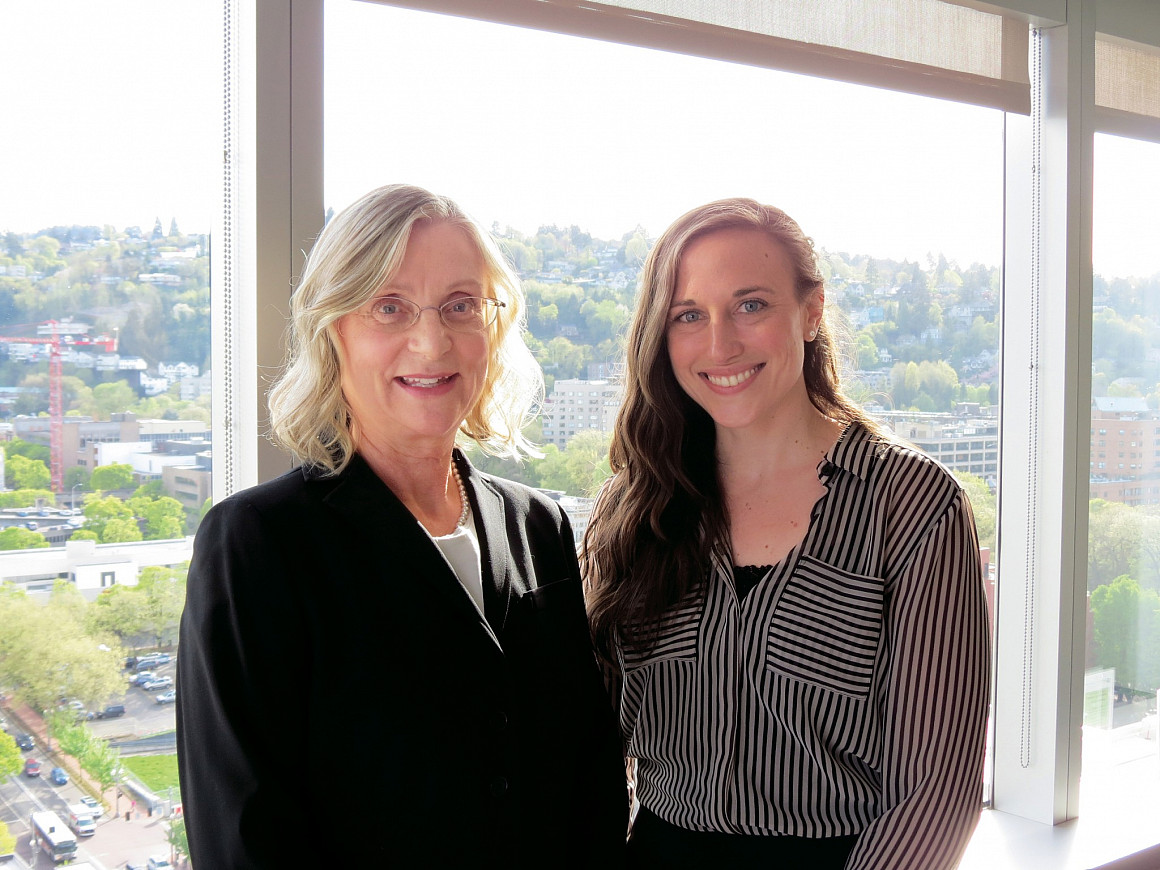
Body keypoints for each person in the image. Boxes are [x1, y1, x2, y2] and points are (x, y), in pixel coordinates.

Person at [177, 184, 627, 868]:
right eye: (390, 307)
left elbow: (589, 788)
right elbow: (245, 836)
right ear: (335, 330)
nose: (431, 340)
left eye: (460, 306)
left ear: (492, 328)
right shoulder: (260, 545)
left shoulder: (539, 527)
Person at [582, 197, 991, 869]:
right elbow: (585, 751)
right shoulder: (638, 504)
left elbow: (936, 796)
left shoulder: (912, 505)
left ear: (810, 310)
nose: (721, 344)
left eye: (751, 305)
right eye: (689, 316)